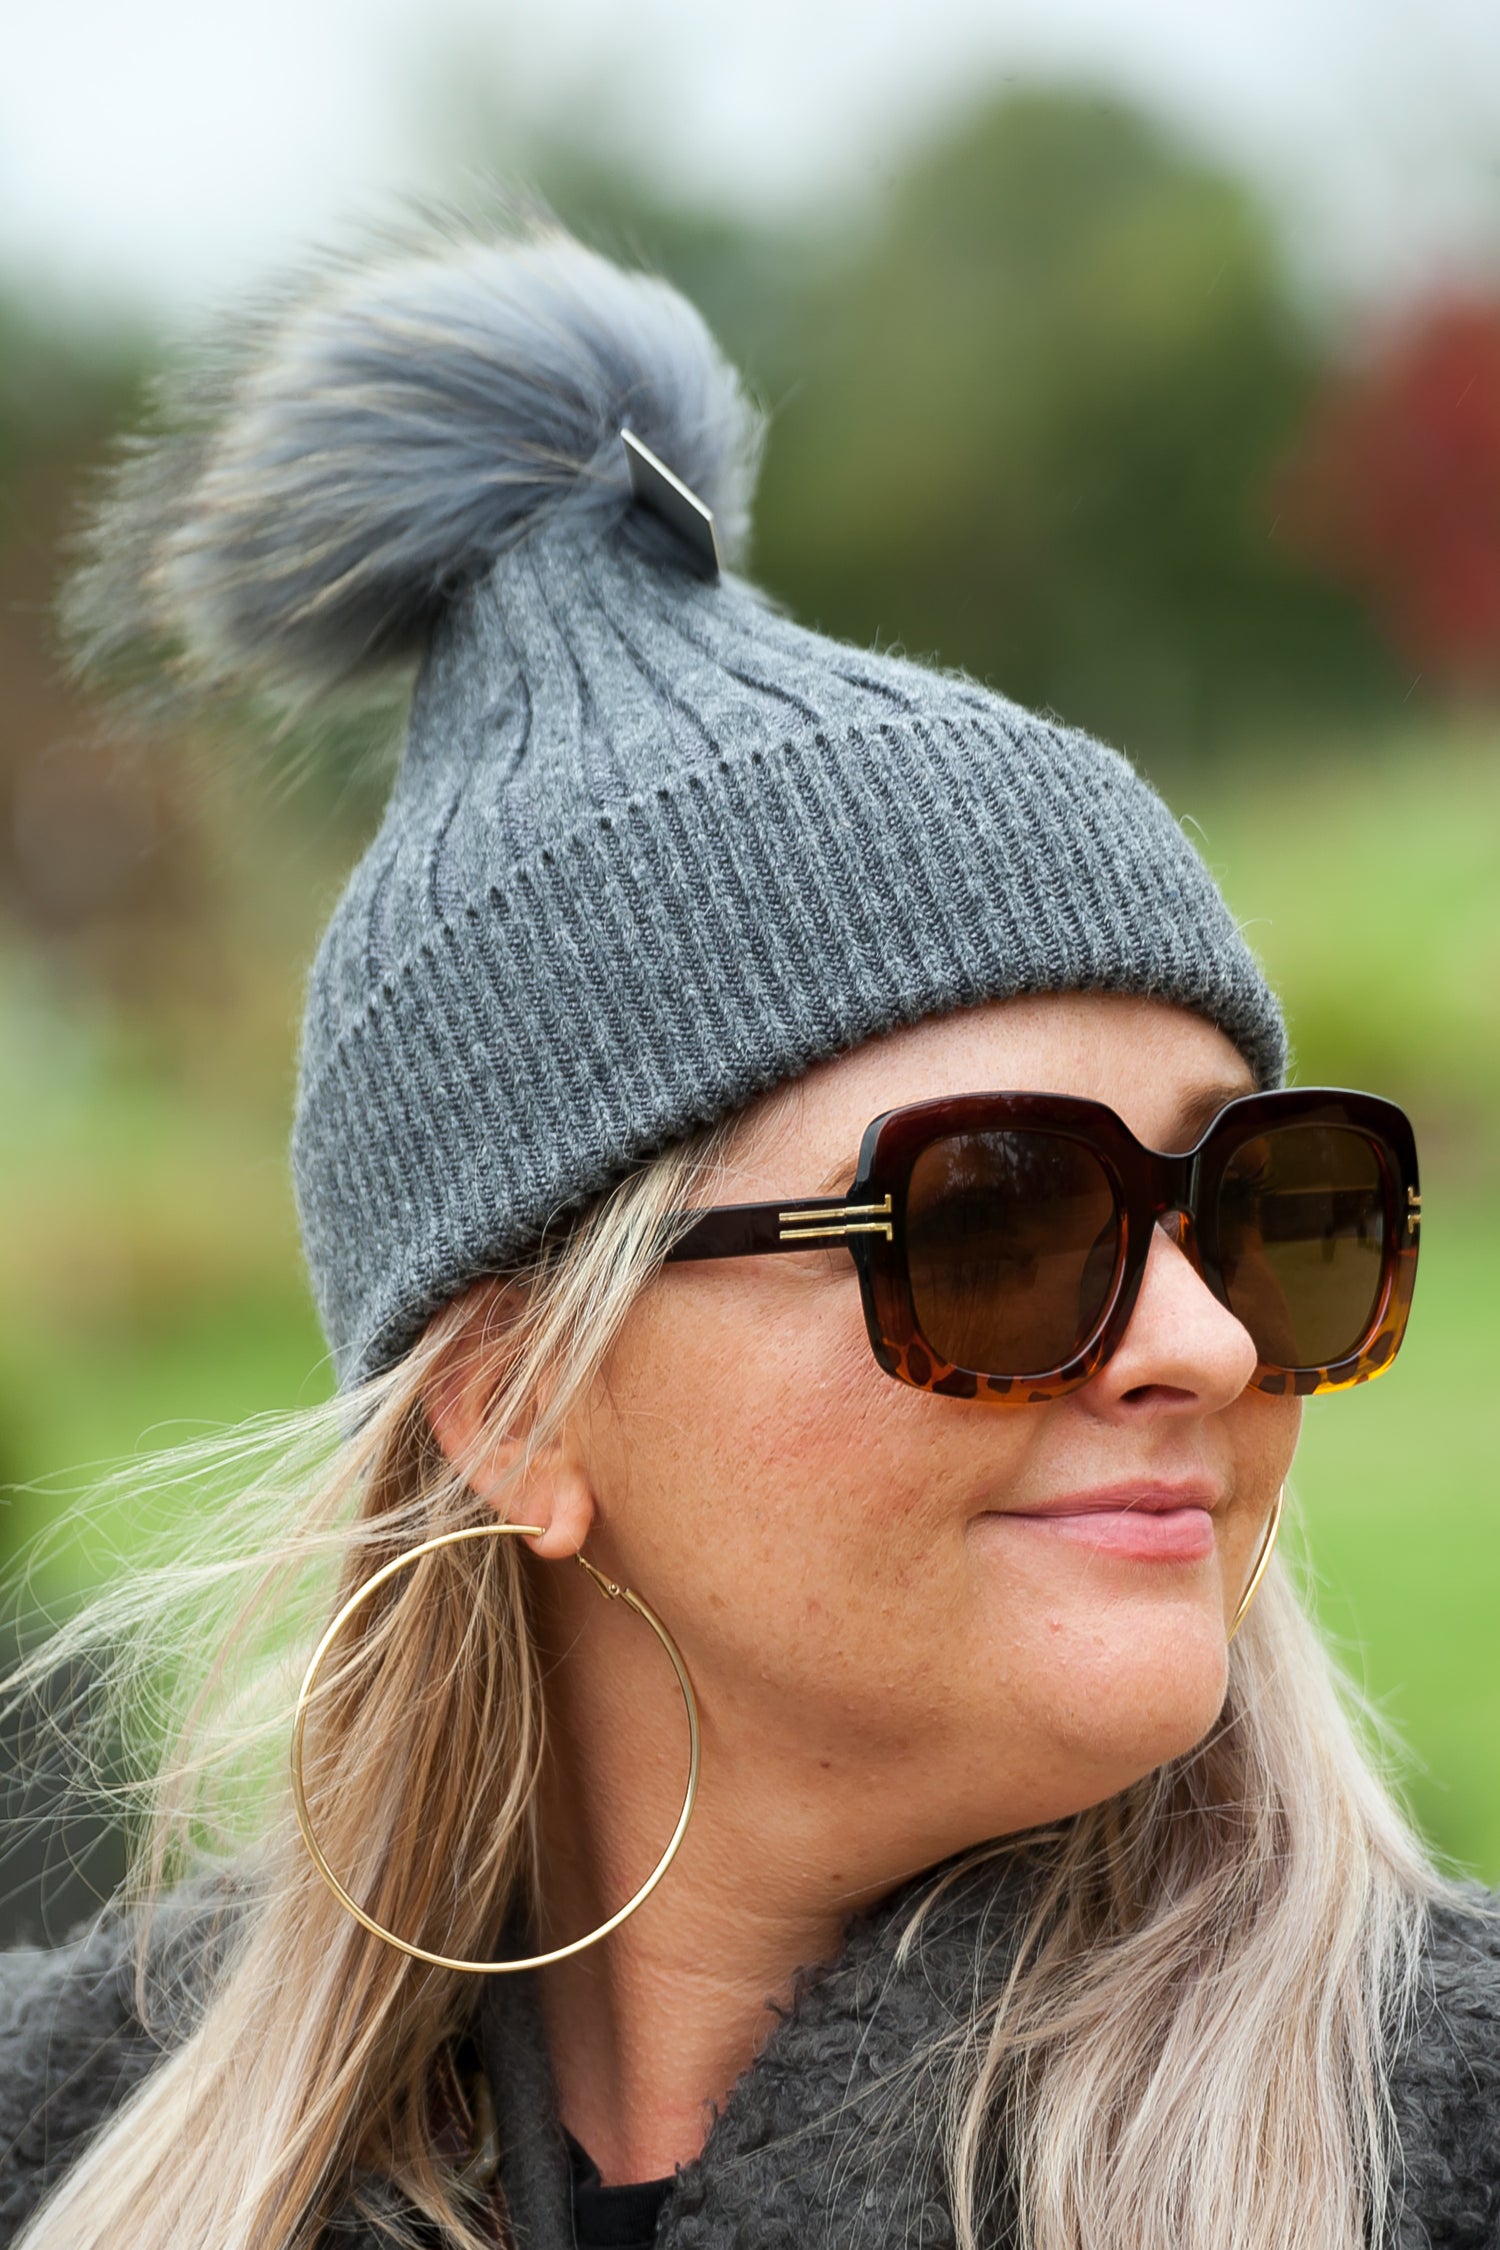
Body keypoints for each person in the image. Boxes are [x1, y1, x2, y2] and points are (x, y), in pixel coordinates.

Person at [1, 208, 1495, 2250]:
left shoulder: (1438, 2144)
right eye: (999, 1219)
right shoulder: (67, 2150)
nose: (1213, 1342)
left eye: (1251, 1206)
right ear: (517, 1406)